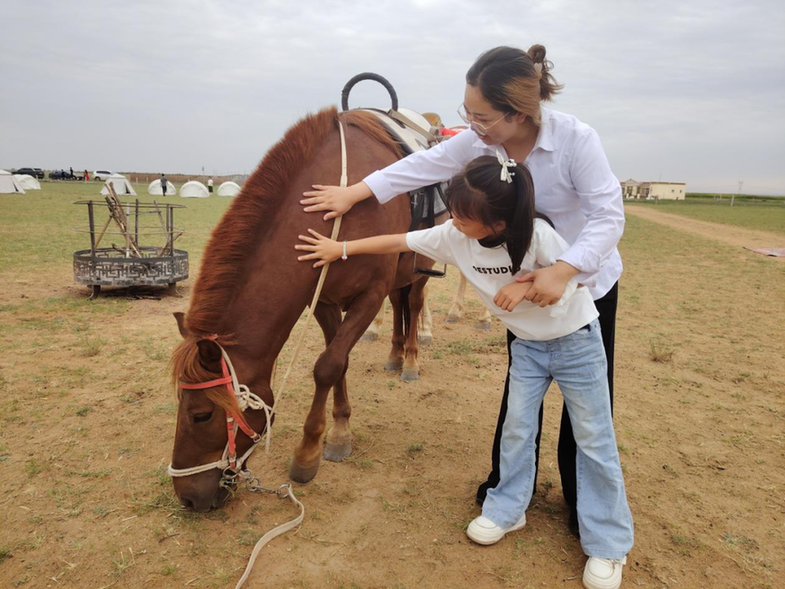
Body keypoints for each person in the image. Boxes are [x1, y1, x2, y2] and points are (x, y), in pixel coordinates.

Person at [300, 45, 625, 538]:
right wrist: (355, 193)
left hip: (584, 285)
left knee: (589, 411)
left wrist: (564, 268)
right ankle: (508, 492)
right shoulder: (478, 144)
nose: (470, 122)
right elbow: (420, 166)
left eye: (481, 114)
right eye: (465, 110)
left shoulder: (575, 141)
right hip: (520, 293)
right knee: (521, 401)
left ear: (519, 113)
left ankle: (584, 505)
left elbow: (608, 216)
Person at [296, 157, 633, 589]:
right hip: (528, 349)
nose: (452, 221)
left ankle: (608, 542)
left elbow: (583, 276)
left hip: (577, 343)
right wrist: (341, 249)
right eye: (451, 210)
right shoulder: (454, 237)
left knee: (593, 438)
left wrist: (527, 284)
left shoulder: (540, 236)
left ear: (497, 221)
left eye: (463, 216)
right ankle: (506, 509)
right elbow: (398, 239)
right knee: (516, 430)